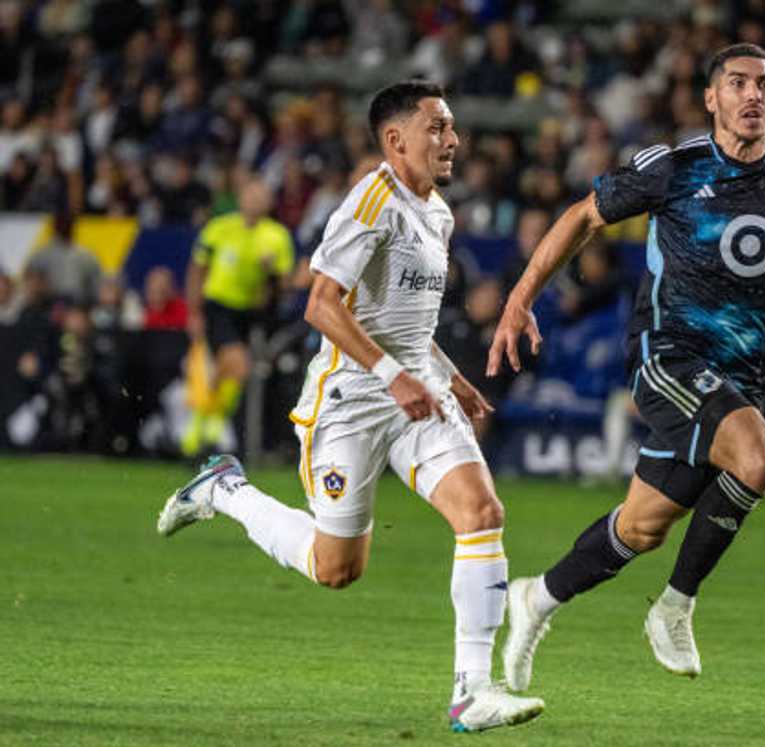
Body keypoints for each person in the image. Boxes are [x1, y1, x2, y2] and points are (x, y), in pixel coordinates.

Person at [486, 43, 765, 688]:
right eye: (737, 83)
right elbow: (581, 217)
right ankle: (675, 607)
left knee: (642, 527)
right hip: (669, 356)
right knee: (762, 458)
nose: (752, 95)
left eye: (764, 84)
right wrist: (519, 300)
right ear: (712, 98)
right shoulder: (673, 168)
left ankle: (537, 597)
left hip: (743, 378)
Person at [156, 80, 544, 733]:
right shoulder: (372, 201)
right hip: (351, 401)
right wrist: (394, 375)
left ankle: (471, 691)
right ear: (396, 140)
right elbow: (321, 304)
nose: (453, 140)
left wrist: (447, 376)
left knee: (481, 512)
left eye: (452, 128)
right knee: (338, 569)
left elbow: (406, 325)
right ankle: (225, 489)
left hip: (415, 393)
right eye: (438, 128)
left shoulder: (439, 212)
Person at [182, 178, 294, 457]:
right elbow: (197, 269)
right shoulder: (220, 228)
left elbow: (284, 284)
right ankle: (212, 426)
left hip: (254, 313)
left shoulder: (276, 236)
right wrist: (193, 311)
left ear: (269, 203)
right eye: (250, 194)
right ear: (241, 198)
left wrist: (272, 274)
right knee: (239, 364)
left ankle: (201, 425)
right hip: (219, 306)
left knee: (228, 369)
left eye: (261, 196)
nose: (254, 201)